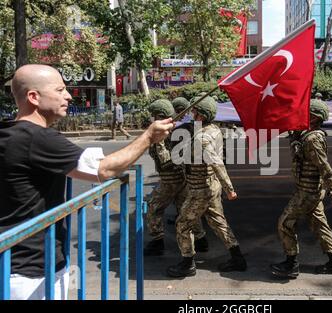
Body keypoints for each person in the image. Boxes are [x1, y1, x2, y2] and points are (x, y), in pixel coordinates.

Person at [0, 64, 174, 300]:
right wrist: (148, 137)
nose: (69, 96)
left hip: (12, 263)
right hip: (31, 272)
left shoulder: (11, 132)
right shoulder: (37, 138)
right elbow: (104, 170)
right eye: (60, 90)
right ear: (34, 97)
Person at [166, 96, 246, 277]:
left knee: (182, 224)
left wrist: (230, 188)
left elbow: (217, 162)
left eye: (194, 112)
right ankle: (238, 258)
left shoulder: (202, 137)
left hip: (200, 188)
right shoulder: (214, 130)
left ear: (201, 116)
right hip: (211, 186)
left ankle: (187, 263)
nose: (191, 114)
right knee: (218, 222)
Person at [270, 99, 332, 279]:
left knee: (285, 223)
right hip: (309, 191)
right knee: (320, 225)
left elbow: (325, 168)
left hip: (307, 192)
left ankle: (291, 264)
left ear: (313, 117)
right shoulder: (306, 135)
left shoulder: (312, 139)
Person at [144, 99, 208, 256]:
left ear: (159, 115)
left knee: (154, 208)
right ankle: (201, 240)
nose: (151, 118)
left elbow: (166, 161)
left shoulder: (166, 134)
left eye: (154, 115)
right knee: (186, 210)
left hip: (170, 180)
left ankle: (157, 241)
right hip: (181, 179)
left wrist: (157, 142)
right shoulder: (178, 130)